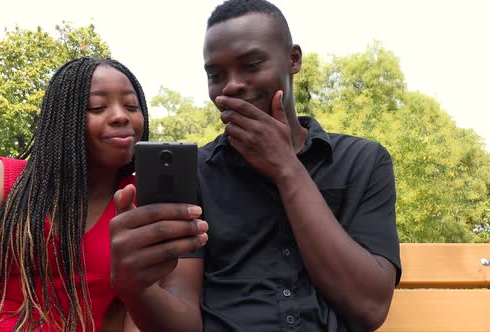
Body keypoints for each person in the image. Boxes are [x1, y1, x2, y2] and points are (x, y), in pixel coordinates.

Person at [110, 0, 402, 331]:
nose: (231, 85)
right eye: (216, 74)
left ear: (294, 59)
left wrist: (286, 168)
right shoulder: (196, 173)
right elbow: (184, 321)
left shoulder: (362, 161)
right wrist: (134, 289)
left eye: (251, 65)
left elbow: (370, 307)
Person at [0, 57, 207, 332]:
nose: (120, 117)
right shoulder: (0, 181)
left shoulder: (144, 206)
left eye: (131, 106)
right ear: (62, 121)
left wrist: (137, 286)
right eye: (98, 107)